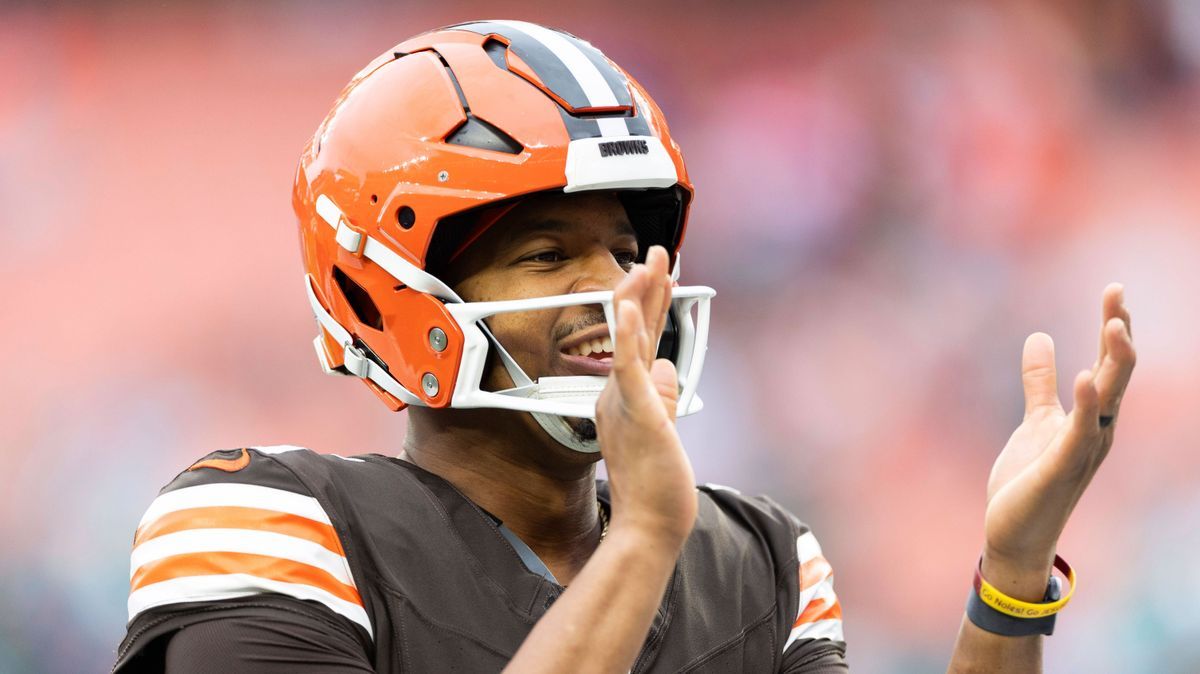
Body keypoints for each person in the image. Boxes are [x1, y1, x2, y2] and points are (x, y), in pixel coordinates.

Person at [113, 20, 1136, 673]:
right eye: (549, 253)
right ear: (389, 289)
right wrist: (643, 539)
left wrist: (1009, 578)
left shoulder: (759, 562)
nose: (618, 292)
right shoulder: (265, 522)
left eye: (623, 248)